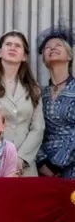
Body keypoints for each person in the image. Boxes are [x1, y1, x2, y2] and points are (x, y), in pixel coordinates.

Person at [0, 30, 43, 176]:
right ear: (0, 52)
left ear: (24, 56)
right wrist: (6, 158)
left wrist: (20, 159)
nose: (12, 47)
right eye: (8, 44)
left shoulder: (34, 88)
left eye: (18, 46)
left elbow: (38, 128)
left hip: (25, 166)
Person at [35, 22, 75, 178]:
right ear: (44, 58)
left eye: (58, 45)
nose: (52, 48)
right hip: (44, 170)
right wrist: (42, 163)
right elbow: (33, 129)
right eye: (47, 47)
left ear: (69, 55)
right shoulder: (39, 93)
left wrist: (56, 165)